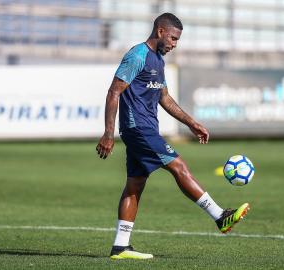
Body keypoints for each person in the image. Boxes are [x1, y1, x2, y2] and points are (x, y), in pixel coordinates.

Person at [96, 12, 250, 260]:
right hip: (138, 129)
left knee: (135, 185)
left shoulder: (158, 60)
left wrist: (191, 123)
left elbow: (164, 98)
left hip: (146, 129)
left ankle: (120, 246)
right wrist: (108, 133)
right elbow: (114, 92)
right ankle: (220, 216)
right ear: (160, 31)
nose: (175, 44)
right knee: (178, 166)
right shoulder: (137, 56)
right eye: (174, 38)